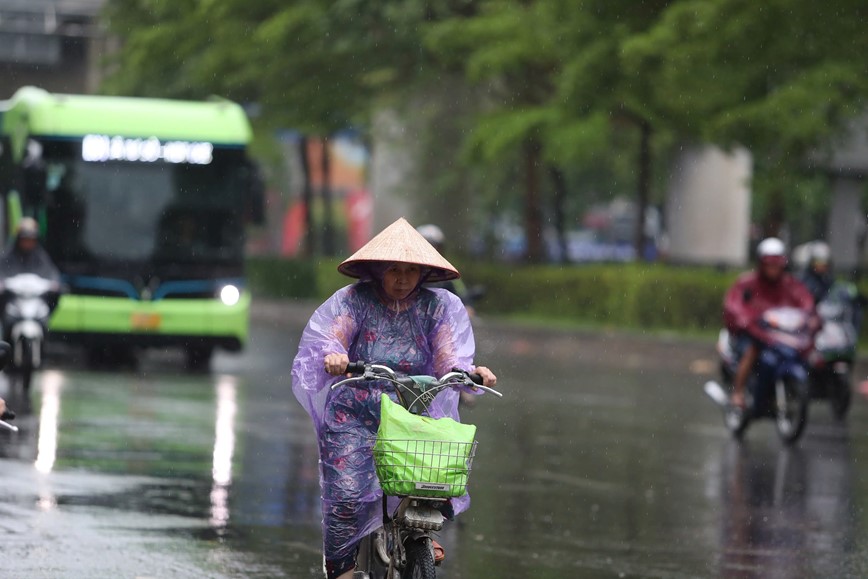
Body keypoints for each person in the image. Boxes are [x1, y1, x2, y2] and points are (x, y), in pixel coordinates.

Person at [291, 217, 497, 579]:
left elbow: (449, 355)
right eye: (394, 270)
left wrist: (468, 373)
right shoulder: (354, 301)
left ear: (423, 272)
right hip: (354, 414)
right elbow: (333, 336)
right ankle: (341, 569)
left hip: (411, 411)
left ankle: (420, 532)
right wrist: (335, 355)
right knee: (346, 498)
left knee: (433, 481)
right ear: (378, 270)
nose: (402, 279)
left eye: (411, 270)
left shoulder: (438, 307)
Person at [723, 237, 815, 408]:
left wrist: (811, 317)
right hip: (754, 333)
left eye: (777, 264)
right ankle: (738, 392)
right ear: (761, 264)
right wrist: (744, 319)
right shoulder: (747, 283)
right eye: (769, 264)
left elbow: (805, 301)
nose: (773, 269)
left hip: (781, 335)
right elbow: (733, 304)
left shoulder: (790, 284)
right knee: (752, 351)